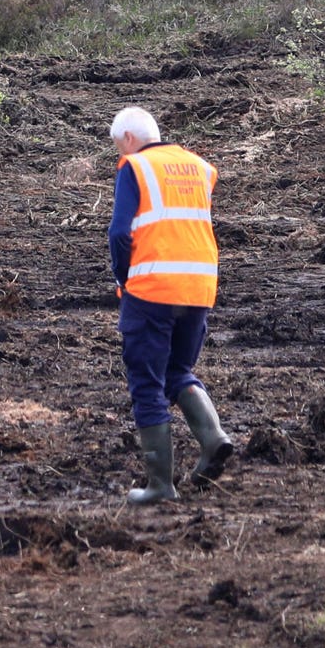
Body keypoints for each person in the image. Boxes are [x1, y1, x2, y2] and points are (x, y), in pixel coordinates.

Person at [108, 104, 237, 503]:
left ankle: (160, 486)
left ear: (129, 139)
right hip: (200, 287)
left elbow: (119, 232)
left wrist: (122, 278)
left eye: (118, 147)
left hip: (152, 289)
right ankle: (213, 437)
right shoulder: (199, 166)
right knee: (177, 369)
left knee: (147, 381)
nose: (120, 155)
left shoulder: (135, 168)